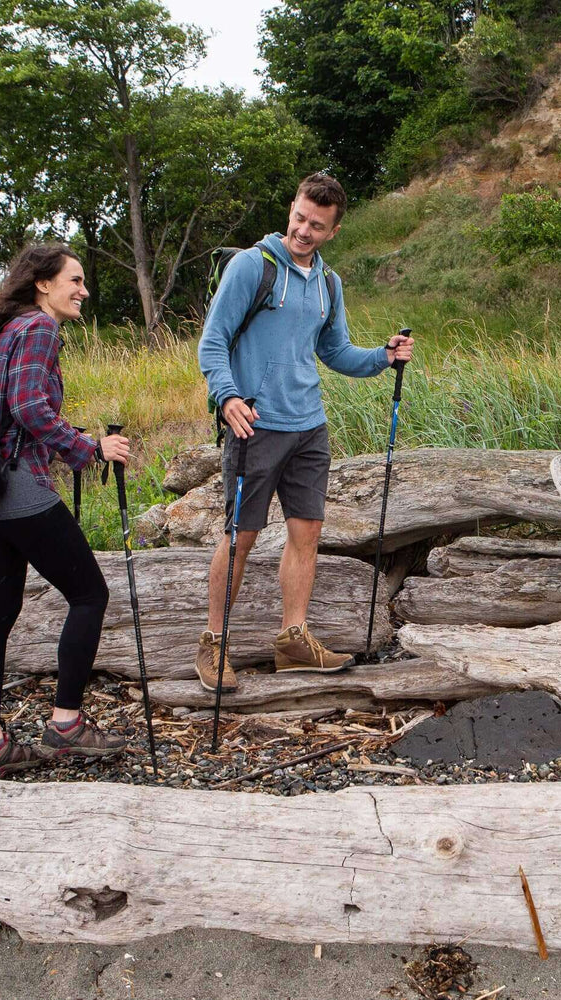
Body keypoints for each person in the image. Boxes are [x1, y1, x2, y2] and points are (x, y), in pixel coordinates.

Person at [197, 173, 414, 692]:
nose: (303, 230)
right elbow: (213, 341)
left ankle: (293, 640)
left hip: (308, 427)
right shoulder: (253, 266)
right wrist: (227, 397)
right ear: (291, 209)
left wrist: (383, 358)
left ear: (333, 230)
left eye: (317, 225)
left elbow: (335, 352)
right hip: (255, 425)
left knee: (307, 534)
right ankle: (213, 644)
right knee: (240, 536)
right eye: (299, 218)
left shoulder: (328, 283)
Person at [0, 243, 132, 778]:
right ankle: (66, 725)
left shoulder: (7, 329)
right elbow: (28, 406)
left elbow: (15, 409)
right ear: (43, 283)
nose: (83, 290)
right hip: (20, 488)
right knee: (90, 594)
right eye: (75, 279)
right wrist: (88, 448)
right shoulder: (39, 329)